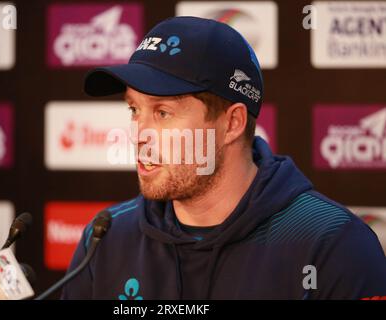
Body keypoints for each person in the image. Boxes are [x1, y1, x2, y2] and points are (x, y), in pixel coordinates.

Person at [61, 16, 386, 300]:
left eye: (162, 113)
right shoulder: (106, 238)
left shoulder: (333, 245)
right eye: (134, 110)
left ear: (232, 123)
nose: (138, 134)